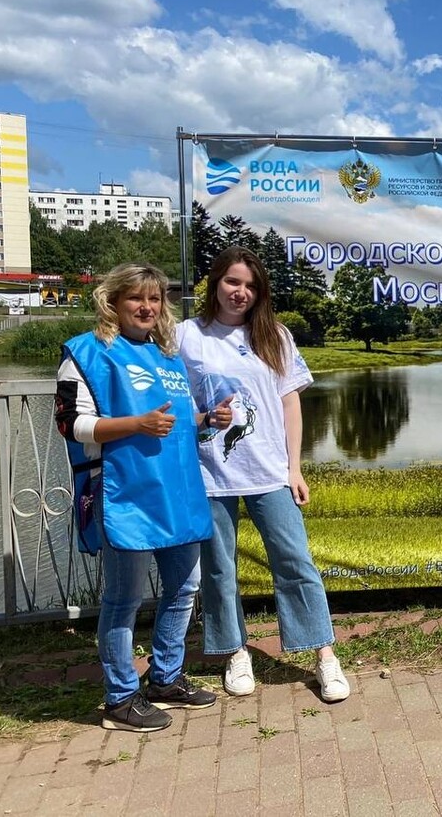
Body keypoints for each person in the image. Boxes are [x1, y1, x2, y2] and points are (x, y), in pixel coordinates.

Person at [178, 246, 349, 703]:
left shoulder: (274, 335)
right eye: (233, 282)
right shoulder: (186, 336)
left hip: (270, 471)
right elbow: (174, 402)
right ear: (215, 282)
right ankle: (235, 652)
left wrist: (294, 467)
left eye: (251, 286)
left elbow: (290, 402)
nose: (241, 292)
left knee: (295, 562)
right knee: (219, 569)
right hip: (209, 473)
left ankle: (323, 654)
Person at [55, 264, 216, 732]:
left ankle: (165, 680)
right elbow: (72, 424)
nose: (147, 308)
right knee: (123, 600)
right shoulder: (87, 352)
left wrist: (207, 419)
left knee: (184, 590)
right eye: (136, 299)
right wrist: (136, 424)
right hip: (126, 493)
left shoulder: (167, 357)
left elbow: (173, 423)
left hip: (179, 493)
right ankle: (120, 698)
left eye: (155, 300)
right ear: (114, 302)